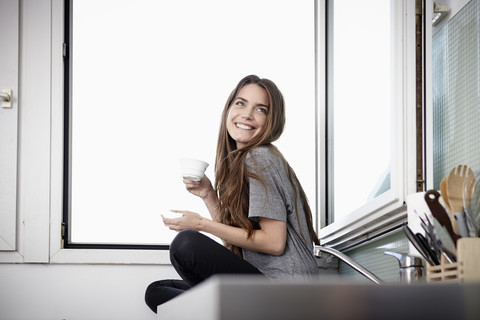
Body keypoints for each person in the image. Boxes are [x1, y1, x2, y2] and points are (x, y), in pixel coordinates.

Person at [145, 75, 320, 313]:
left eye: (261, 109)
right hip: (263, 286)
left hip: (284, 293)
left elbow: (274, 242)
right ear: (228, 109)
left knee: (185, 244)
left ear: (272, 121)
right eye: (240, 103)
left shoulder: (259, 158)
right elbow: (237, 242)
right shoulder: (244, 162)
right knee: (157, 291)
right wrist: (208, 195)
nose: (247, 114)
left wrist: (200, 224)